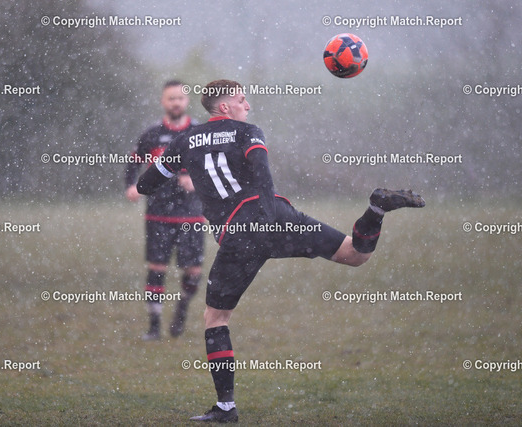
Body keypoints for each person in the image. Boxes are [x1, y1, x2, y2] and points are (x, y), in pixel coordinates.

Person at [136, 79, 425, 422]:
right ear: (224, 106)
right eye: (242, 100)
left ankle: (225, 407)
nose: (248, 105)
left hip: (239, 232)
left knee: (215, 318)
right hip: (276, 216)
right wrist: (268, 217)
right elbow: (262, 173)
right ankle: (375, 209)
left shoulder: (184, 140)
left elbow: (145, 185)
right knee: (355, 254)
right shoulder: (248, 132)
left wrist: (179, 168)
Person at [125, 80, 206, 341]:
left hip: (191, 214)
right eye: (171, 98)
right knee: (157, 267)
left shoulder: (199, 133)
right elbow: (133, 163)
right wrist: (131, 186)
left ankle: (182, 307)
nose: (176, 103)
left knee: (193, 272)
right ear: (163, 101)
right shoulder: (151, 135)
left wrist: (197, 181)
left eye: (180, 98)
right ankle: (154, 326)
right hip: (158, 213)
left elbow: (214, 167)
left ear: (187, 101)